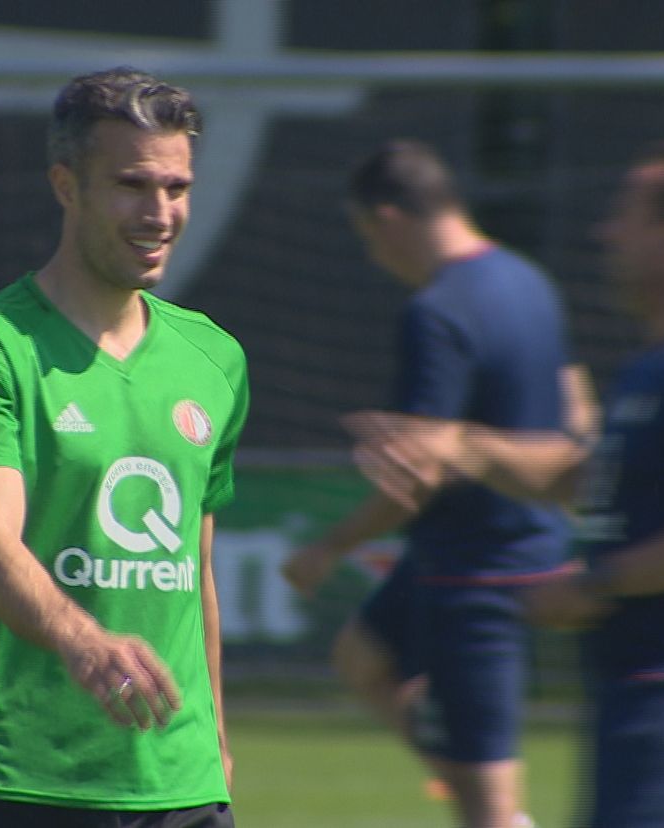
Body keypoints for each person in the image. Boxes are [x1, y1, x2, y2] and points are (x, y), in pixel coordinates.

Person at [350, 142, 664, 827]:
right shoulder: (661, 364)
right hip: (638, 689)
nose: (607, 233)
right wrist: (467, 446)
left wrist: (593, 584)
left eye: (629, 216)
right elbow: (582, 476)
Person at [0, 66, 249, 828]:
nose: (159, 213)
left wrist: (215, 745)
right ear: (67, 186)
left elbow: (195, 569)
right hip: (12, 781)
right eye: (133, 185)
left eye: (177, 188)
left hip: (177, 787)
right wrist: (83, 642)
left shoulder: (214, 359)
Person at [282, 140, 594, 828]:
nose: (373, 255)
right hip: (518, 544)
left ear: (388, 218)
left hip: (476, 573)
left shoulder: (437, 313)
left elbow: (414, 475)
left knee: (489, 809)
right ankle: (466, 774)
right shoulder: (528, 279)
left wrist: (327, 548)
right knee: (361, 658)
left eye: (369, 237)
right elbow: (577, 404)